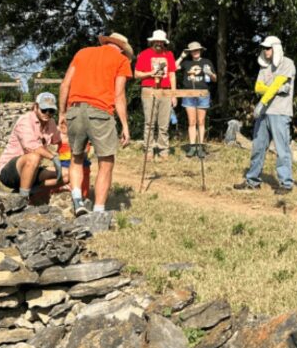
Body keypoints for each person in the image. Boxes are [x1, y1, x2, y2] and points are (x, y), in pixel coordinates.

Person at [58, 32, 133, 216]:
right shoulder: (121, 60)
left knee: (76, 157)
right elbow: (119, 96)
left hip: (74, 110)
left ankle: (77, 200)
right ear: (122, 49)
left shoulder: (82, 53)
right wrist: (125, 125)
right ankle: (99, 211)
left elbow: (65, 84)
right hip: (100, 112)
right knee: (106, 161)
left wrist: (62, 113)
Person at [234, 36, 296, 193]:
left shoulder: (287, 64)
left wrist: (265, 97)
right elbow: (258, 88)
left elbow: (274, 85)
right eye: (264, 48)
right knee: (258, 147)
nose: (265, 51)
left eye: (268, 48)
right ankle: (252, 181)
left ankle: (286, 183)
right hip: (264, 113)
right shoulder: (264, 66)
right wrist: (273, 90)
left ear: (276, 48)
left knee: (282, 149)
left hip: (280, 112)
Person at [0, 92, 64, 205]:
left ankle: (32, 191)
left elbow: (59, 139)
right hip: (9, 172)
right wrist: (53, 157)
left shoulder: (50, 122)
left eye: (51, 111)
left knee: (67, 174)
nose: (47, 113)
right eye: (44, 109)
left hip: (33, 169)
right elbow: (32, 147)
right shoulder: (25, 121)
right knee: (34, 157)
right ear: (35, 107)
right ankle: (23, 201)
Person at [134, 30, 178, 160]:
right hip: (149, 89)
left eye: (161, 41)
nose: (159, 43)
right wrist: (151, 73)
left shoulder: (169, 54)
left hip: (165, 90)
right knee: (150, 122)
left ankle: (163, 150)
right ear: (152, 41)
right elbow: (136, 74)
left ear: (164, 42)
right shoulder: (144, 54)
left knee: (164, 123)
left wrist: (173, 94)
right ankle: (149, 150)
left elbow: (172, 74)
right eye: (157, 41)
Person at [177, 41, 216, 158]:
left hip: (203, 94)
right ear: (190, 52)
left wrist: (209, 73)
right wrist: (181, 56)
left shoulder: (207, 62)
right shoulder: (186, 63)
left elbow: (214, 79)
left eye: (197, 50)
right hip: (188, 94)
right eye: (193, 50)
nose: (195, 52)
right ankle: (192, 146)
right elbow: (172, 68)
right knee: (192, 122)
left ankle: (200, 146)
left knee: (201, 121)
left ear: (201, 50)